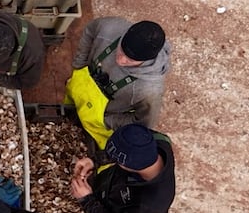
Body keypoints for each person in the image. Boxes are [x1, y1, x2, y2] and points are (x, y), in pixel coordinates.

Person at [64, 17, 171, 148]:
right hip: (80, 87)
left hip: (99, 120)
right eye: (121, 50)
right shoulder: (110, 27)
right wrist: (79, 65)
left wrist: (107, 121)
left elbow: (142, 123)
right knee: (66, 111)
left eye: (130, 60)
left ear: (146, 60)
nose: (121, 59)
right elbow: (90, 31)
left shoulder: (149, 91)